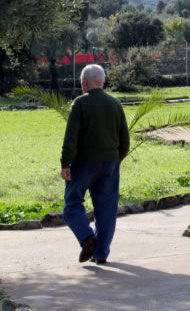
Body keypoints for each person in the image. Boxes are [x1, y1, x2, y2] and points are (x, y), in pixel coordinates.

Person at [61, 64, 130, 264]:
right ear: (102, 81)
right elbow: (124, 140)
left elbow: (70, 138)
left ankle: (87, 237)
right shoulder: (116, 104)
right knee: (106, 209)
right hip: (110, 163)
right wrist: (115, 160)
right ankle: (100, 254)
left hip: (83, 163)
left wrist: (66, 163)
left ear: (84, 83)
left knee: (72, 204)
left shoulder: (80, 103)